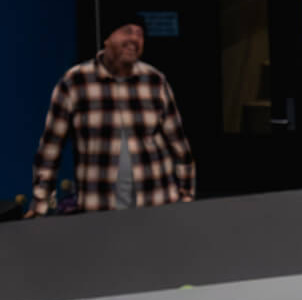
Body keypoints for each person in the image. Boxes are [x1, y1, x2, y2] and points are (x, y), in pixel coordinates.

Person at [28, 17, 194, 217]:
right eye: (126, 30)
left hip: (156, 203)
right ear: (107, 39)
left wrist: (186, 196)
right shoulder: (75, 82)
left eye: (140, 34)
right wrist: (40, 202)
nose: (134, 39)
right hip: (99, 209)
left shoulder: (155, 80)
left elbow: (178, 143)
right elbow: (50, 149)